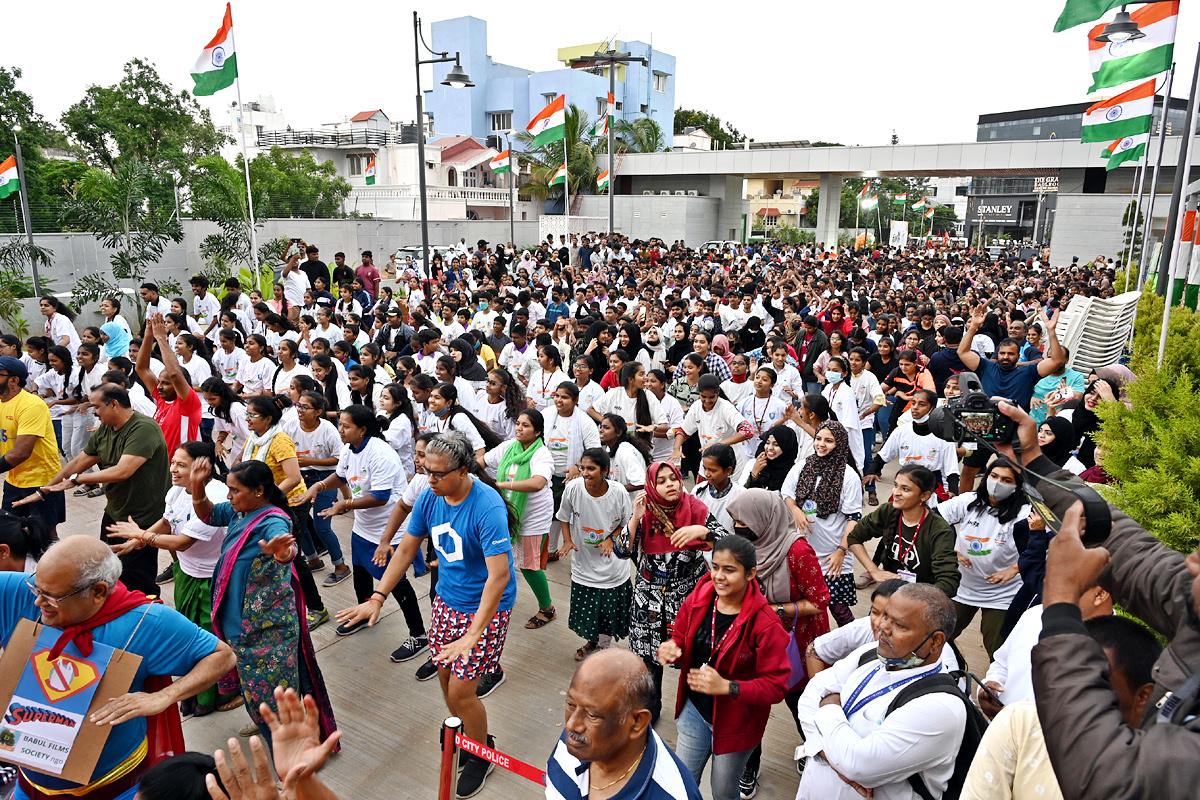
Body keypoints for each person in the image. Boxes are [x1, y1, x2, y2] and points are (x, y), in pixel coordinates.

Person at [335, 430, 518, 798]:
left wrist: (472, 634)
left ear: (464, 470)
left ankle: (483, 752)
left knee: (463, 694)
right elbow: (406, 549)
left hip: (485, 609)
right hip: (447, 602)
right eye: (424, 471)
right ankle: (469, 734)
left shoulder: (488, 508)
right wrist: (378, 596)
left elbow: (498, 578)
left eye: (437, 473)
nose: (428, 479)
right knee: (446, 682)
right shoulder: (429, 496)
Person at [0, 536, 236, 798]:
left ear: (99, 591)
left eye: (52, 597)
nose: (37, 603)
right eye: (37, 589)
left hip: (114, 788)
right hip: (28, 785)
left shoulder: (145, 621)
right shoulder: (20, 592)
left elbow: (222, 656)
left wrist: (164, 696)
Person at [189, 458, 338, 748]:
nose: (229, 496)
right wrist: (197, 489)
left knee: (277, 695)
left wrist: (282, 552)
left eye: (234, 490)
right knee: (255, 686)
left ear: (258, 491)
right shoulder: (240, 512)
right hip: (239, 620)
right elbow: (208, 515)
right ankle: (262, 717)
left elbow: (285, 548)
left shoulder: (272, 519)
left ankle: (293, 762)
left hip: (266, 628)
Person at [104, 441, 243, 716]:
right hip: (187, 574)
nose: (173, 469)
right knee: (191, 631)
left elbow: (181, 542)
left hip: (213, 580)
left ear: (202, 468)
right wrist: (135, 541)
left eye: (181, 465)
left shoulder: (214, 497)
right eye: (173, 462)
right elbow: (168, 521)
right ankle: (197, 691)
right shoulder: (176, 490)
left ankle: (223, 692)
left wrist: (142, 535)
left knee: (213, 637)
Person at [796, 583, 967, 800]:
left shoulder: (940, 707)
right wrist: (830, 756)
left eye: (900, 625)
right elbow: (808, 697)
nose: (882, 627)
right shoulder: (871, 653)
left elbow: (858, 766)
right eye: (885, 615)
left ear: (935, 641)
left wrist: (829, 704)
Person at [962, 615, 1162, 800]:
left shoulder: (1162, 769)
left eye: (1096, 683)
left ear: (1144, 695)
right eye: (1068, 676)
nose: (1073, 692)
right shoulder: (1020, 722)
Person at [656, 535, 790, 800]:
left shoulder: (766, 624)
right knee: (683, 785)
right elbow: (680, 635)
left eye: (729, 570)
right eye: (715, 566)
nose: (719, 576)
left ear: (751, 573)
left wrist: (728, 687)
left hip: (737, 722)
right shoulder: (701, 595)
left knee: (724, 792)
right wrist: (672, 648)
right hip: (694, 710)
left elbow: (777, 686)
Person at [726, 489, 831, 799]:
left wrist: (775, 610)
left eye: (741, 520)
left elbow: (820, 600)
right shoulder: (746, 549)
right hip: (756, 640)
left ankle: (813, 749)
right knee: (751, 706)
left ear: (763, 519)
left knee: (801, 704)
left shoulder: (797, 551)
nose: (736, 526)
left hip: (795, 644)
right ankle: (750, 764)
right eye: (733, 520)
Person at [19, 384, 169, 597]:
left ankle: (147, 620)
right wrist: (45, 490)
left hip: (142, 518)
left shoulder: (144, 428)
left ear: (114, 404)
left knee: (138, 578)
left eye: (97, 406)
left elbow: (122, 471)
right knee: (108, 568)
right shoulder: (107, 428)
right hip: (115, 512)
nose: (94, 411)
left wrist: (77, 480)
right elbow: (81, 460)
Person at [614, 460, 724, 722]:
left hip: (688, 597)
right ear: (652, 486)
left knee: (695, 654)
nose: (670, 485)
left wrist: (705, 533)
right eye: (661, 481)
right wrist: (635, 518)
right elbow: (620, 551)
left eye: (673, 479)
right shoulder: (644, 513)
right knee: (649, 661)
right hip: (648, 598)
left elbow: (728, 544)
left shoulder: (696, 509)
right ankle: (651, 712)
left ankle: (698, 713)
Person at [545, 648, 703, 800]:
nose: (572, 725)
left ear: (637, 722)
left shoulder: (671, 794)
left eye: (592, 715)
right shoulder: (577, 743)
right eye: (570, 704)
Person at [940, 462, 1030, 660]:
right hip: (962, 587)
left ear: (1017, 486)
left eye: (1007, 480)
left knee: (999, 651)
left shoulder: (1025, 512)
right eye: (994, 476)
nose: (998, 483)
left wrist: (1015, 568)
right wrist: (949, 550)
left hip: (1003, 594)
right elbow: (932, 520)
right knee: (937, 638)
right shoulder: (969, 501)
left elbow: (1045, 546)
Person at [480, 408, 556, 629]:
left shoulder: (542, 454)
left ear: (538, 432)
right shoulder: (508, 447)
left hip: (533, 518)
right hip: (508, 513)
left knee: (529, 566)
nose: (519, 429)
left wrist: (501, 485)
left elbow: (537, 483)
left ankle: (547, 609)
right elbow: (481, 462)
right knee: (501, 559)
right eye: (518, 424)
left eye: (526, 425)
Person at [556, 447, 634, 662]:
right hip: (584, 561)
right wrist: (568, 540)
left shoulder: (618, 493)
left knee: (607, 611)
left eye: (591, 468)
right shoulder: (573, 488)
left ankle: (602, 647)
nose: (585, 473)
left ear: (605, 470)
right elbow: (564, 516)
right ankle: (593, 643)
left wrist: (610, 538)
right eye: (582, 468)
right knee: (589, 610)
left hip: (612, 563)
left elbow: (627, 523)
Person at [783, 421, 863, 627]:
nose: (821, 444)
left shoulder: (849, 476)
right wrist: (796, 511)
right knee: (803, 607)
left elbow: (854, 518)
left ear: (840, 444)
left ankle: (856, 647)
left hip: (832, 556)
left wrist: (841, 551)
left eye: (829, 441)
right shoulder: (803, 465)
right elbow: (787, 494)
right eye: (819, 439)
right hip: (804, 551)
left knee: (838, 609)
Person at [847, 464, 961, 597]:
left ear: (924, 496)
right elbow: (854, 537)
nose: (896, 492)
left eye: (905, 489)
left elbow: (948, 584)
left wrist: (914, 599)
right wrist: (873, 571)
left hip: (922, 600)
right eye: (895, 485)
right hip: (889, 593)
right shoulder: (888, 511)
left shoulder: (938, 529)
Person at [0, 356, 64, 537]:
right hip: (14, 480)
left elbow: (21, 452)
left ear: (13, 380)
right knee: (10, 532)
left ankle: (57, 565)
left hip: (41, 480)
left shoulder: (31, 405)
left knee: (45, 534)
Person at [136, 314, 202, 452]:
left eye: (165, 383)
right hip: (162, 468)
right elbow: (141, 368)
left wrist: (161, 338)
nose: (159, 386)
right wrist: (149, 337)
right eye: (159, 382)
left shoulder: (188, 403)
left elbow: (174, 374)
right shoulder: (162, 399)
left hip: (181, 468)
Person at [743, 424, 798, 493]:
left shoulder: (795, 472)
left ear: (787, 447)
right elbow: (744, 495)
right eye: (768, 443)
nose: (770, 448)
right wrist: (754, 474)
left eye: (776, 444)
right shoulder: (755, 464)